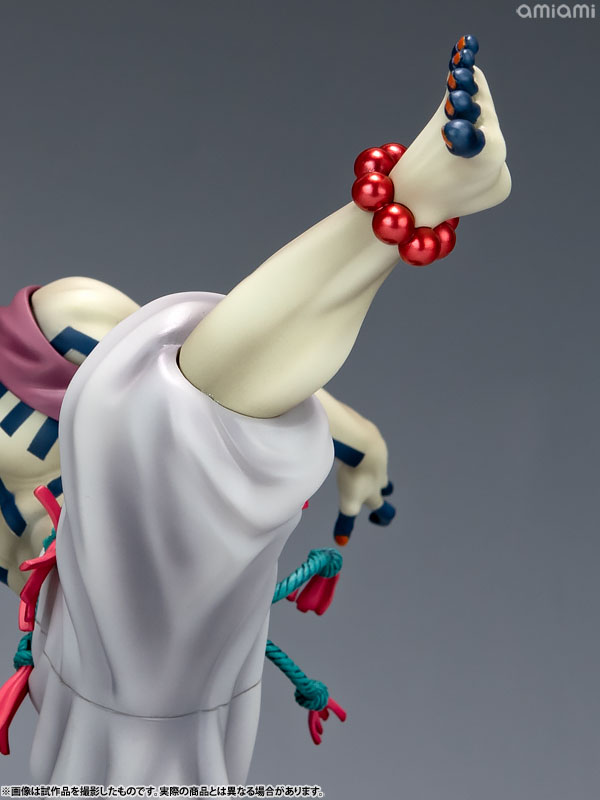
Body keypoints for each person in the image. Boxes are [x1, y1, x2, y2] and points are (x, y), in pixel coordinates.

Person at [1, 36, 510, 783]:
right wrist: (356, 439)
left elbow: (190, 374)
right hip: (87, 649)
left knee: (157, 419)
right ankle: (402, 206)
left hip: (131, 626)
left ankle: (404, 203)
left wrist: (354, 437)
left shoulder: (54, 330)